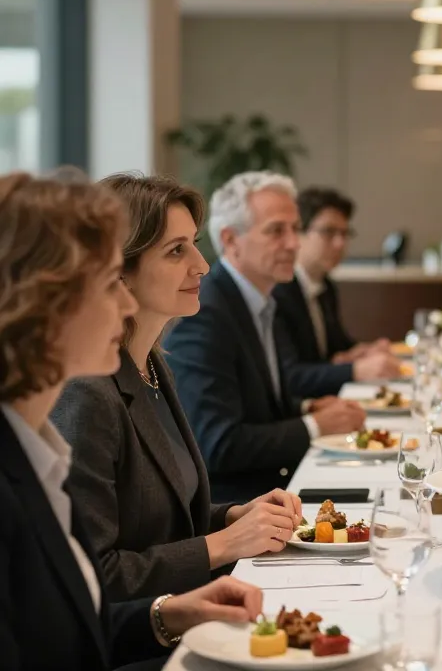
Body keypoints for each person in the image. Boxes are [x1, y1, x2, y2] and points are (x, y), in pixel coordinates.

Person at [0, 170, 263, 670]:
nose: (123, 302)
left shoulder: (40, 450)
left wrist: (168, 615)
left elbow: (76, 622)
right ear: (38, 304)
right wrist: (218, 545)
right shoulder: (80, 400)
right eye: (106, 282)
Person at [50, 174, 303, 602]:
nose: (202, 265)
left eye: (194, 243)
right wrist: (222, 544)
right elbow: (96, 575)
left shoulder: (151, 364)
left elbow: (165, 518)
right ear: (119, 269)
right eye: (176, 251)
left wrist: (233, 517)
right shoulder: (87, 393)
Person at [164, 172, 365, 503]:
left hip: (276, 487)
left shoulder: (259, 300)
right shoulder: (206, 315)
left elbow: (254, 404)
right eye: (276, 231)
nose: (293, 243)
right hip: (240, 507)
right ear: (230, 240)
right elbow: (218, 444)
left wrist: (305, 406)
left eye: (295, 228)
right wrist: (314, 424)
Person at [273, 186, 400, 397]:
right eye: (328, 232)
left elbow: (336, 348)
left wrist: (362, 351)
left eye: (344, 233)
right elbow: (290, 376)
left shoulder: (325, 286)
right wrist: (356, 369)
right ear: (299, 233)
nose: (340, 243)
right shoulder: (278, 292)